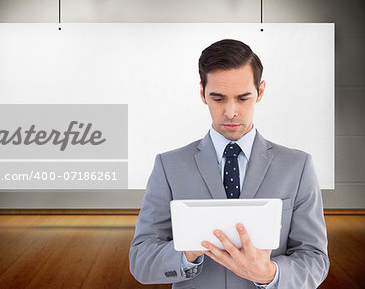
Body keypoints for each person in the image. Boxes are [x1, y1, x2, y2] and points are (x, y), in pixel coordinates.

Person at [129, 39, 329, 288]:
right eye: (218, 98)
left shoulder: (298, 167)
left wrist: (269, 274)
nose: (231, 112)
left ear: (261, 91)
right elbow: (140, 260)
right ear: (202, 93)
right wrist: (187, 252)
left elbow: (315, 259)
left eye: (243, 98)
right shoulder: (168, 166)